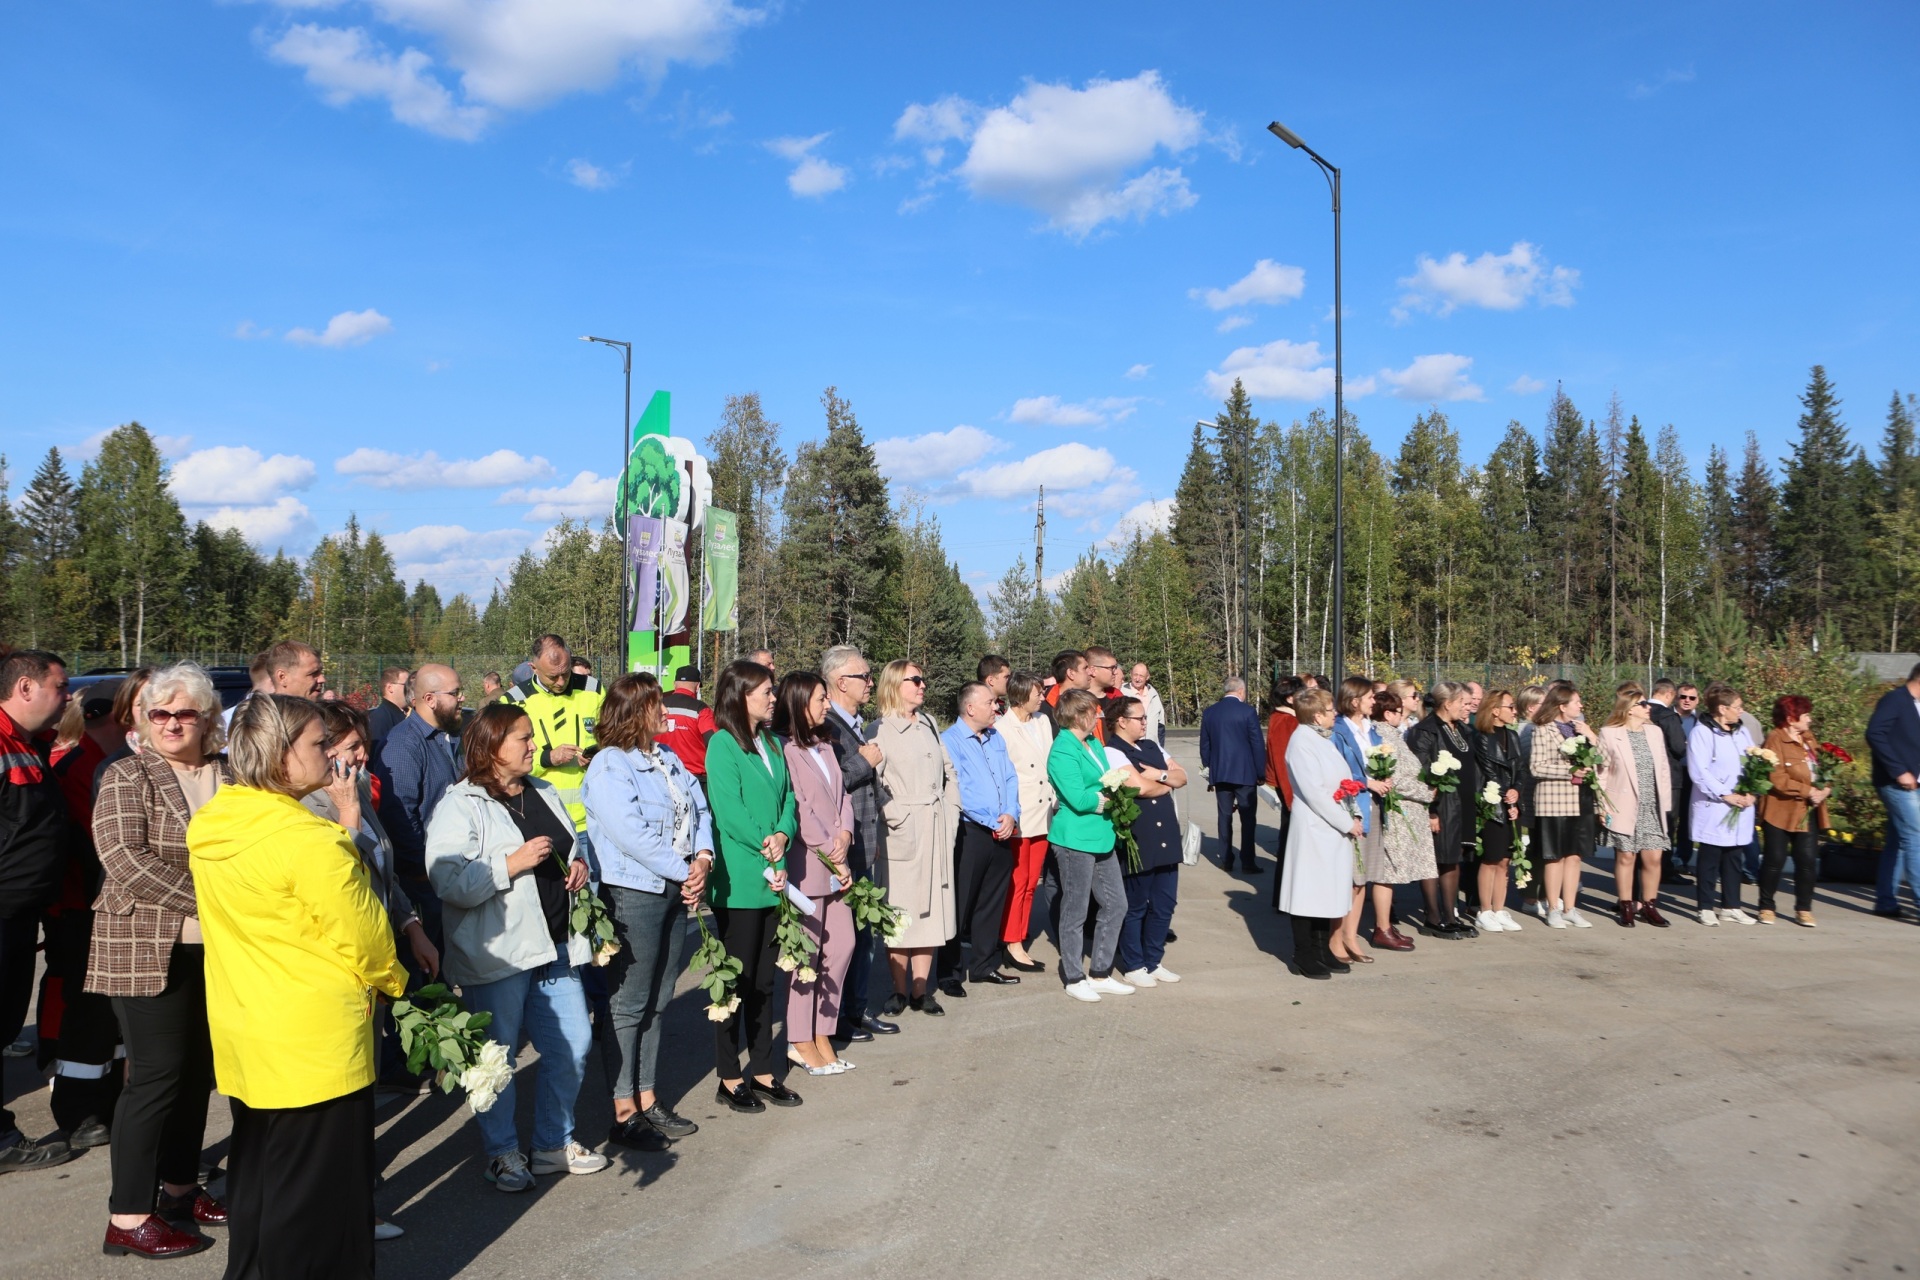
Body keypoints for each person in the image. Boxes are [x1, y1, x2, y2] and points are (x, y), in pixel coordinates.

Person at [187, 694, 407, 1277]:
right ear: (282, 756)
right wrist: (397, 984)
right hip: (316, 1046)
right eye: (317, 744)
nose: (329, 756)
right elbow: (367, 940)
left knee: (261, 1181)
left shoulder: (214, 822)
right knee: (317, 1204)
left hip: (249, 1032)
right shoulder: (309, 840)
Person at [427, 703, 607, 1189]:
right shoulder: (460, 803)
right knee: (497, 1058)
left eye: (531, 737)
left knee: (573, 1044)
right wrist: (510, 864)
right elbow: (446, 880)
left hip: (556, 944)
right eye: (523, 739)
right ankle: (502, 1153)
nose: (534, 746)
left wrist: (578, 863)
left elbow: (574, 844)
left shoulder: (543, 790)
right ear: (490, 747)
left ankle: (551, 1144)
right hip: (501, 952)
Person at [88, 666, 235, 1257]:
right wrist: (218, 899)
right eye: (160, 714)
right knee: (154, 1078)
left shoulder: (231, 774)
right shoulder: (127, 775)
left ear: (206, 718)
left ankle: (178, 1190)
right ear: (144, 720)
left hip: (220, 948)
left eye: (185, 714)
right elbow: (124, 859)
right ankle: (126, 1217)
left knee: (197, 1073)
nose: (173, 724)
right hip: (145, 948)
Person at [582, 674, 711, 1146]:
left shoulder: (670, 758)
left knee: (659, 1000)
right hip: (634, 892)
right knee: (628, 1003)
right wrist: (684, 870)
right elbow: (630, 833)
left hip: (676, 887)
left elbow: (701, 812)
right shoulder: (609, 766)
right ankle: (622, 1110)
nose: (666, 715)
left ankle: (648, 1097)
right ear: (635, 711)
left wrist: (703, 859)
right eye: (657, 706)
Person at [703, 660, 803, 1110]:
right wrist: (765, 845)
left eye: (772, 690)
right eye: (764, 690)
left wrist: (783, 834)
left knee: (766, 981)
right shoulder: (722, 745)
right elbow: (728, 811)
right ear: (739, 696)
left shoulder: (772, 743)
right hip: (741, 879)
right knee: (736, 982)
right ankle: (728, 1076)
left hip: (773, 871)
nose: (772, 697)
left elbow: (788, 799)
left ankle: (762, 1070)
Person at [0, 650, 82, 1175]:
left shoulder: (30, 745)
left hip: (19, 914)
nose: (69, 696)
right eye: (60, 686)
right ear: (26, 687)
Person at [40, 682, 125, 1151]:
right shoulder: (80, 768)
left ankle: (105, 1102)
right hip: (80, 910)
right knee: (85, 1012)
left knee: (108, 1018)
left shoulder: (105, 764)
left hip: (100, 907)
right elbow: (102, 847)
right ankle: (79, 1110)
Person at [774, 672, 858, 1075]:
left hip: (836, 862)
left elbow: (843, 797)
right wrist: (832, 850)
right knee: (805, 955)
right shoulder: (786, 751)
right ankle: (799, 1038)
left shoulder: (825, 746)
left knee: (841, 946)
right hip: (809, 868)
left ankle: (823, 1029)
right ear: (798, 700)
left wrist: (845, 831)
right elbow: (801, 810)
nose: (827, 705)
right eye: (821, 698)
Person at [867, 660, 959, 1016]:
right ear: (894, 684)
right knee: (900, 912)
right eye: (915, 679)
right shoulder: (877, 729)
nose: (923, 685)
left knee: (932, 911)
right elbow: (873, 783)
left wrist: (950, 815)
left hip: (935, 826)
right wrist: (897, 817)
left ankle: (922, 990)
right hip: (901, 832)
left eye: (924, 678)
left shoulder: (930, 724)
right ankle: (899, 990)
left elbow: (949, 773)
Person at [816, 645, 897, 1041]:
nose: (870, 681)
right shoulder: (827, 725)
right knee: (846, 937)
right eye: (864, 676)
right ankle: (841, 1016)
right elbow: (828, 786)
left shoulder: (854, 722)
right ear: (840, 682)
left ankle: (857, 1008)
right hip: (840, 848)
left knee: (863, 932)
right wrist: (865, 761)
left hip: (864, 838)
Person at [372, 662, 463, 960]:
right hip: (421, 885)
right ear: (429, 699)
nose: (462, 698)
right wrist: (424, 872)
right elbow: (398, 815)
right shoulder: (404, 745)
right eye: (455, 693)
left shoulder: (440, 739)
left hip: (441, 878)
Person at [1047, 689, 1131, 1002]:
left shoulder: (1093, 742)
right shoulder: (1062, 749)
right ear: (1079, 714)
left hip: (1100, 835)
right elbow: (1080, 799)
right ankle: (1072, 976)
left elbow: (1106, 778)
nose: (1099, 716)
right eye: (1094, 711)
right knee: (1076, 909)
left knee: (1116, 903)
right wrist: (1108, 799)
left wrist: (1111, 791)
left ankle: (1100, 972)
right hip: (1075, 839)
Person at [939, 682, 1023, 993]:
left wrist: (1011, 813)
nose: (996, 707)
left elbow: (1010, 776)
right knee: (960, 904)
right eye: (990, 702)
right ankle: (949, 972)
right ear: (970, 708)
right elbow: (957, 788)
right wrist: (992, 820)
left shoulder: (995, 736)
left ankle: (984, 965)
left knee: (991, 901)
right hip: (970, 831)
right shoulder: (949, 741)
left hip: (1002, 828)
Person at [1280, 688, 1363, 980]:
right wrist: (1345, 821)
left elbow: (1343, 781)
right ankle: (1304, 953)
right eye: (1330, 710)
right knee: (1308, 893)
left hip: (1333, 826)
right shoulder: (1302, 741)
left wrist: (1354, 812)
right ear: (1316, 715)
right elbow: (1314, 792)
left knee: (1326, 892)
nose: (1335, 713)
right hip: (1316, 828)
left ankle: (1321, 948)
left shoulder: (1322, 739)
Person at [1108, 694, 1186, 986]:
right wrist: (1164, 782)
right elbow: (1139, 788)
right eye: (1140, 718)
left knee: (1165, 903)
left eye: (1145, 717)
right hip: (1139, 835)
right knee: (1136, 903)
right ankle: (1134, 963)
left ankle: (1154, 960)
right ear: (1122, 721)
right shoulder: (1113, 751)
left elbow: (1183, 776)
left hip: (1165, 832)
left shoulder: (1151, 746)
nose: (1145, 722)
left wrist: (1161, 775)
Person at [506, 634, 604, 839]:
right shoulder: (513, 702)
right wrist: (547, 758)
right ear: (534, 668)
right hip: (541, 820)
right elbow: (504, 762)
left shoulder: (593, 689)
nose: (561, 682)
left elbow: (610, 736)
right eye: (552, 677)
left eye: (566, 673)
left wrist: (596, 755)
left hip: (591, 819)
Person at [1405, 680, 1482, 938]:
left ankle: (1451, 915)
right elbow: (1421, 772)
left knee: (1453, 859)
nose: (1467, 705)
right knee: (1435, 860)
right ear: (1447, 704)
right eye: (1462, 701)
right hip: (1441, 806)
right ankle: (1432, 916)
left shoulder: (1461, 729)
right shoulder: (1426, 731)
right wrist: (1431, 811)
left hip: (1462, 805)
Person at [1360, 689, 1432, 953]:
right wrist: (1428, 793)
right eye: (1400, 711)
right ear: (1389, 713)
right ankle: (1382, 928)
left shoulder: (1390, 734)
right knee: (1386, 873)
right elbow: (1396, 779)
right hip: (1396, 812)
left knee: (1389, 873)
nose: (1403, 716)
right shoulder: (1383, 736)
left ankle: (1386, 926)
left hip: (1403, 811)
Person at [1596, 685, 1674, 929]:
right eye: (1642, 704)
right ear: (1629, 710)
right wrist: (1602, 806)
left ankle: (1649, 905)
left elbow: (1663, 769)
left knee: (1653, 858)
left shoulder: (1655, 733)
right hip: (1622, 805)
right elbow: (1601, 773)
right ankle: (1626, 905)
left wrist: (1666, 806)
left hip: (1652, 805)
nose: (1647, 708)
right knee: (1626, 857)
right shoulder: (1609, 733)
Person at [995, 671, 1055, 973]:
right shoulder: (1001, 728)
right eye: (1038, 693)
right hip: (1020, 812)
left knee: (1032, 882)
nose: (1043, 697)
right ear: (1021, 695)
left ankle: (1018, 936)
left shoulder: (1043, 721)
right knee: (1018, 882)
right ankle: (1012, 942)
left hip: (1044, 809)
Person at [1688, 682, 1759, 926]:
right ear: (1721, 709)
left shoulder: (1742, 731)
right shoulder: (1702, 733)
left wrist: (1752, 791)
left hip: (1741, 804)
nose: (1741, 711)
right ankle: (1706, 907)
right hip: (1715, 805)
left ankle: (1731, 906)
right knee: (1710, 858)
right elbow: (1699, 771)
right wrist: (1724, 795)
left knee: (1734, 858)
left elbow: (1753, 762)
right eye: (1737, 707)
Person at [1529, 681, 1599, 929]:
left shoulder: (1578, 728)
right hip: (1555, 801)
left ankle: (1570, 908)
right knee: (1555, 857)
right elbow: (1537, 767)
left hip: (1581, 800)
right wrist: (1571, 769)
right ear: (1562, 705)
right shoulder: (1542, 729)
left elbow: (1605, 761)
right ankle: (1553, 908)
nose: (1581, 705)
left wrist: (1591, 736)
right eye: (1577, 702)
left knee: (1575, 856)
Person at [1758, 695, 1830, 927]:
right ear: (1791, 718)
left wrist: (1825, 789)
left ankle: (1804, 908)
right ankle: (1767, 906)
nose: (1809, 719)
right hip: (1779, 810)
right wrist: (1807, 790)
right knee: (1774, 859)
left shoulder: (1808, 738)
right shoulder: (1775, 739)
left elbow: (1824, 768)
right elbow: (1776, 777)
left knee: (1807, 860)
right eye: (1805, 715)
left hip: (1806, 811)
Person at [1467, 689, 1527, 934]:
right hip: (1492, 804)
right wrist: (1506, 796)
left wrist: (1517, 792)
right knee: (1491, 858)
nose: (1514, 711)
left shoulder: (1511, 736)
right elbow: (1490, 772)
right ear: (1495, 710)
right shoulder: (1481, 737)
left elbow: (1520, 769)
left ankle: (1499, 908)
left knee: (1505, 860)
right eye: (1510, 706)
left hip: (1509, 802)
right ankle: (1484, 910)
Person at [1866, 660, 1920, 920]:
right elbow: (1875, 733)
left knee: (1898, 842)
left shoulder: (1916, 706)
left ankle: (1885, 901)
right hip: (1896, 782)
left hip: (1915, 782)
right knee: (1915, 838)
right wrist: (1899, 770)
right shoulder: (1895, 700)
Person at [1199, 676, 1265, 872]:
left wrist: (1209, 768)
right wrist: (1261, 772)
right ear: (1241, 691)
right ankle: (1247, 861)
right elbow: (1257, 744)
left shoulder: (1210, 713)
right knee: (1248, 819)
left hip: (1220, 773)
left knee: (1224, 816)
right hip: (1245, 774)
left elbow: (1205, 745)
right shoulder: (1248, 712)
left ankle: (1226, 859)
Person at [1264, 676, 1305, 911]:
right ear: (1290, 698)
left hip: (1291, 792)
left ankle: (1285, 898)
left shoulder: (1284, 719)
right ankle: (1283, 899)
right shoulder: (1285, 722)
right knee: (1290, 846)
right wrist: (1291, 802)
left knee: (1290, 845)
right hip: (1292, 793)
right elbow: (1282, 763)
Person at [1647, 679, 1693, 885]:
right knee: (1667, 825)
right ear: (1669, 695)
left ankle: (1645, 866)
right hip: (1670, 777)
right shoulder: (1668, 716)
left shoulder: (1640, 711)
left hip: (1645, 776)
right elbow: (1679, 747)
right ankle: (1664, 869)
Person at [659, 665, 714, 779]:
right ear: (698, 686)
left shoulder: (658, 705)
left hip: (661, 774)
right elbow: (714, 742)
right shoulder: (701, 709)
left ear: (674, 684)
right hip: (694, 777)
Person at [367, 666, 410, 745]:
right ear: (390, 688)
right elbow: (378, 752)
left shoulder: (407, 713)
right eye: (406, 685)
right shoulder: (380, 717)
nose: (410, 689)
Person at [1127, 664, 1167, 746]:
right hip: (1130, 746)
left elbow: (1160, 725)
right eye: (1135, 675)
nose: (1137, 679)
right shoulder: (1122, 692)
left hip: (1151, 746)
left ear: (1147, 677)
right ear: (1130, 674)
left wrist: (1160, 749)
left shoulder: (1153, 694)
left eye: (1141, 676)